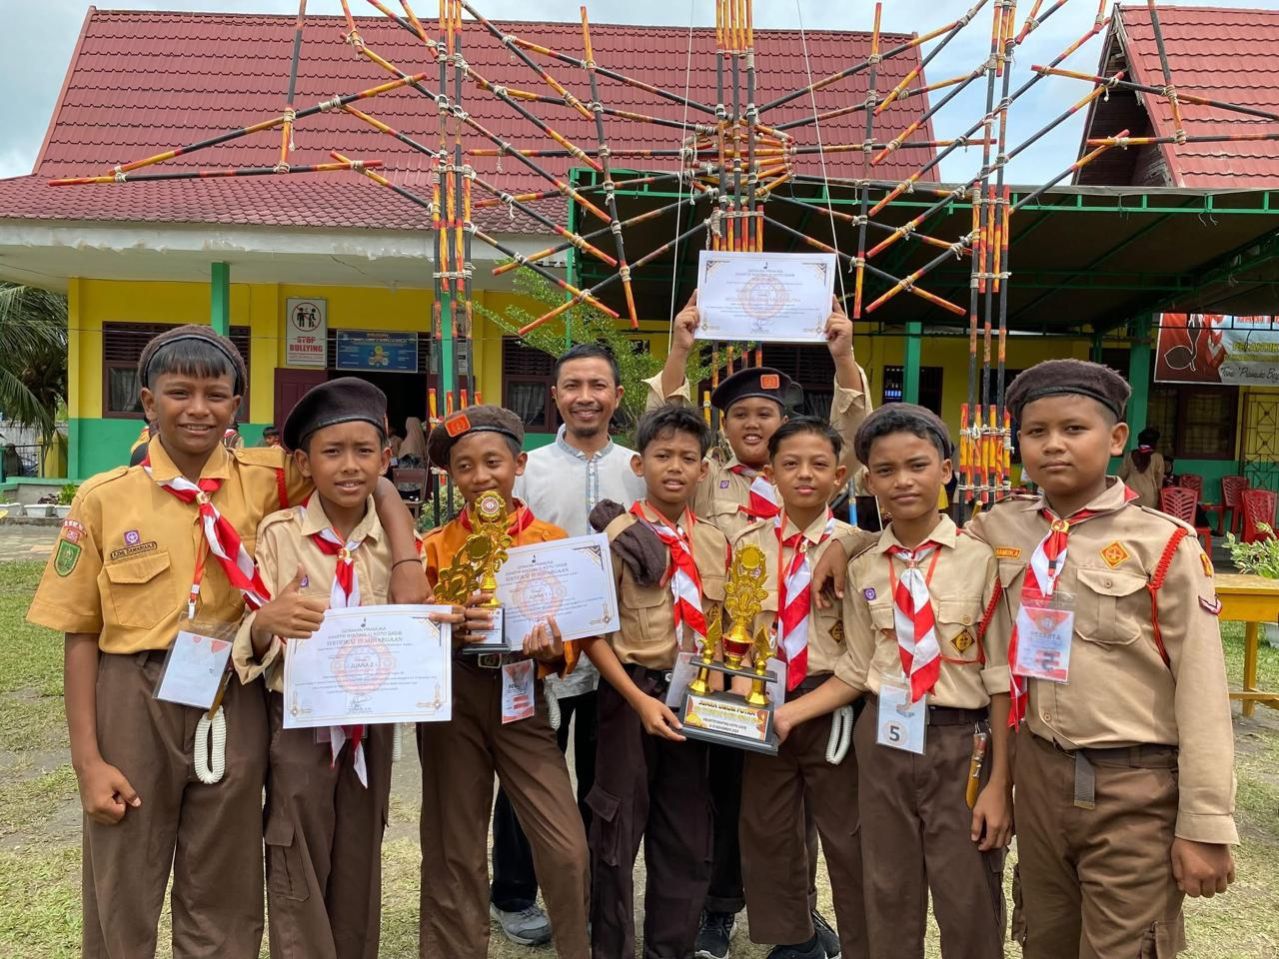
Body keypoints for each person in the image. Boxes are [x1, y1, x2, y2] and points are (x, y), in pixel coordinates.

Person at [25, 325, 427, 959]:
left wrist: (406, 558)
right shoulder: (103, 499)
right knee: (124, 876)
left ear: (236, 407)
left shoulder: (267, 479)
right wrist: (87, 761)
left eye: (216, 395)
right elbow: (80, 633)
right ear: (148, 402)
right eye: (179, 393)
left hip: (233, 687)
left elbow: (363, 471)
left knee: (225, 878)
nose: (198, 409)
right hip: (135, 693)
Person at [968, 359, 1237, 957]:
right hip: (1039, 778)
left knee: (1125, 946)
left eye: (1073, 429)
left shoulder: (1163, 542)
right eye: (1035, 432)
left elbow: (1201, 687)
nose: (1053, 445)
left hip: (1133, 787)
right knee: (1044, 937)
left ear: (1116, 439)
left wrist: (1205, 824)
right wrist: (848, 546)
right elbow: (910, 534)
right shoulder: (999, 528)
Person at [647, 294, 871, 959]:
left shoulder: (820, 487)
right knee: (737, 807)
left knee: (807, 815)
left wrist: (842, 356)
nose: (752, 422)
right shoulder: (707, 478)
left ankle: (807, 920)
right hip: (731, 675)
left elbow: (852, 437)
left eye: (765, 414)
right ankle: (726, 910)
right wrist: (680, 347)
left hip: (811, 680)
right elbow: (665, 427)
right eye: (739, 413)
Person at [772, 405, 1012, 959]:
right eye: (885, 470)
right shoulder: (862, 567)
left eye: (917, 465)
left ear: (946, 469)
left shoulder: (983, 560)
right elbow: (857, 668)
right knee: (887, 889)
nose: (902, 481)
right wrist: (787, 715)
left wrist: (1002, 780)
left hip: (961, 743)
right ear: (867, 480)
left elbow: (1000, 681)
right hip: (882, 738)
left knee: (967, 893)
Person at [232, 378, 417, 959]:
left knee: (362, 852)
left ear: (385, 458)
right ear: (304, 462)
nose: (348, 466)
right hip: (300, 726)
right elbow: (252, 636)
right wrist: (268, 622)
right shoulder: (279, 535)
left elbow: (419, 627)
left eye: (364, 451)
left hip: (372, 728)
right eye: (331, 452)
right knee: (296, 852)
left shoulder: (399, 542)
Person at [417, 405, 591, 959]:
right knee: (454, 844)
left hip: (521, 690)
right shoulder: (436, 545)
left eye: (493, 462)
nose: (480, 476)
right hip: (455, 695)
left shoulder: (550, 540)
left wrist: (552, 650)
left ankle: (576, 948)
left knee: (565, 846)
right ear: (452, 478)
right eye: (464, 467)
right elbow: (416, 624)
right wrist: (447, 622)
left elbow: (576, 626)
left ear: (518, 464)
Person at [491, 343, 646, 945]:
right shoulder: (525, 470)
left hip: (617, 655)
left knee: (600, 783)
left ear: (616, 396)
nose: (586, 396)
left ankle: (583, 895)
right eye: (573, 385)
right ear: (554, 395)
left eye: (598, 385)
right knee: (527, 776)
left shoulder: (640, 467)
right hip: (541, 651)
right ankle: (513, 894)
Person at [583, 404, 728, 959]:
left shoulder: (715, 541)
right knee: (617, 826)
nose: (675, 467)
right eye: (663, 456)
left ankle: (671, 947)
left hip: (696, 696)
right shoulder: (616, 538)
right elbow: (593, 636)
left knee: (688, 827)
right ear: (639, 464)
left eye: (688, 458)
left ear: (704, 469)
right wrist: (639, 699)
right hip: (631, 692)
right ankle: (612, 948)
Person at [725, 416, 872, 959]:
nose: (803, 475)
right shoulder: (748, 542)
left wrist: (852, 544)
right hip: (762, 696)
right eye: (790, 464)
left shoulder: (859, 547)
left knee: (847, 832)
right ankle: (794, 939)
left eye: (817, 466)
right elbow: (732, 627)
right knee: (766, 827)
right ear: (770, 473)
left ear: (839, 476)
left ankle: (864, 940)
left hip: (831, 699)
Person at [1119, 426, 1166, 509]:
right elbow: (1159, 482)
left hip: (1130, 495)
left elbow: (1121, 476)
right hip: (1149, 498)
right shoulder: (1158, 458)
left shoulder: (1130, 455)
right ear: (1154, 443)